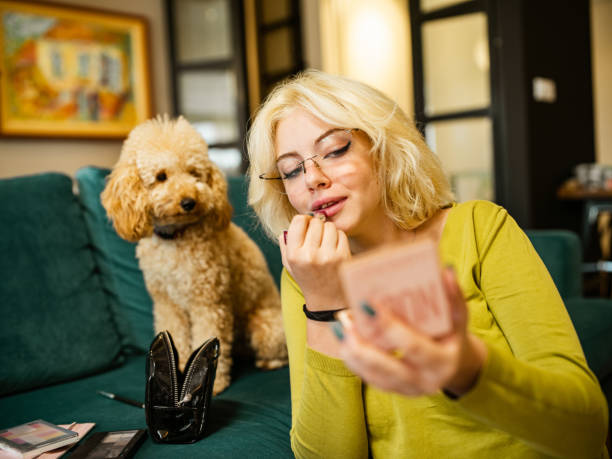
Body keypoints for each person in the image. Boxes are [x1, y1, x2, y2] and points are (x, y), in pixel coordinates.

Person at [246, 69, 608, 458]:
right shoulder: (306, 279)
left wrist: (468, 371)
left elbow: (584, 430)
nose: (313, 178)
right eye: (292, 170)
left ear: (384, 149)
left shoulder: (479, 228)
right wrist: (324, 305)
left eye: (334, 150)